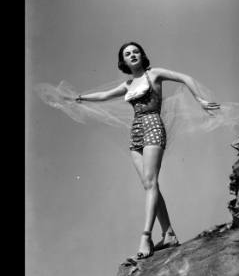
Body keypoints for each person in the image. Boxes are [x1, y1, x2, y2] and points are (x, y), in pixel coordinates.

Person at [73, 42, 220, 259]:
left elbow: (185, 78)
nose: (132, 55)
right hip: (136, 132)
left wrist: (200, 99)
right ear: (123, 62)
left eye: (135, 51)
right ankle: (168, 233)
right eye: (127, 54)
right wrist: (80, 98)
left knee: (151, 183)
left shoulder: (155, 74)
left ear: (142, 55)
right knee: (148, 184)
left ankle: (146, 236)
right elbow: (104, 96)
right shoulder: (128, 84)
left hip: (153, 126)